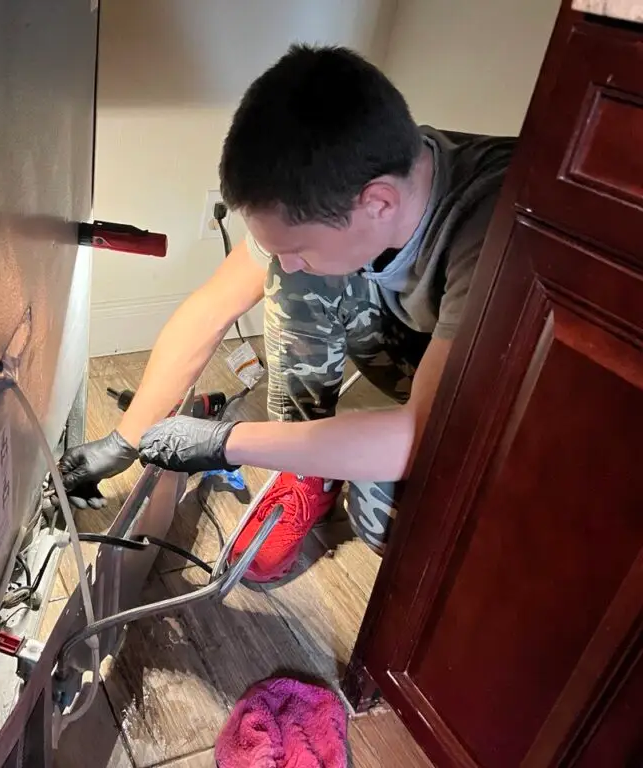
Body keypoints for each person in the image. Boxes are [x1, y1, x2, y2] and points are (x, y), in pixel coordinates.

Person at [60, 44, 516, 583]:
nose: (287, 259)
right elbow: (211, 308)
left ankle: (314, 459)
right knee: (297, 275)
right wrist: (126, 439)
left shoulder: (502, 228)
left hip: (499, 398)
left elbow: (415, 439)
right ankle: (308, 473)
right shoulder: (343, 179)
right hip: (422, 349)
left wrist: (225, 443)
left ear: (380, 203)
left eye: (299, 242)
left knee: (387, 519)